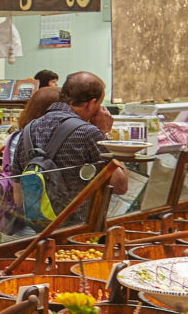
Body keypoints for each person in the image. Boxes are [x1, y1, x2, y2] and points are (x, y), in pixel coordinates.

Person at [11, 71, 123, 222]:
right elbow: (120, 185)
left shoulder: (28, 130)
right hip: (78, 231)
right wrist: (104, 133)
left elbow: (18, 197)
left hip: (39, 229)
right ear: (91, 103)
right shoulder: (89, 133)